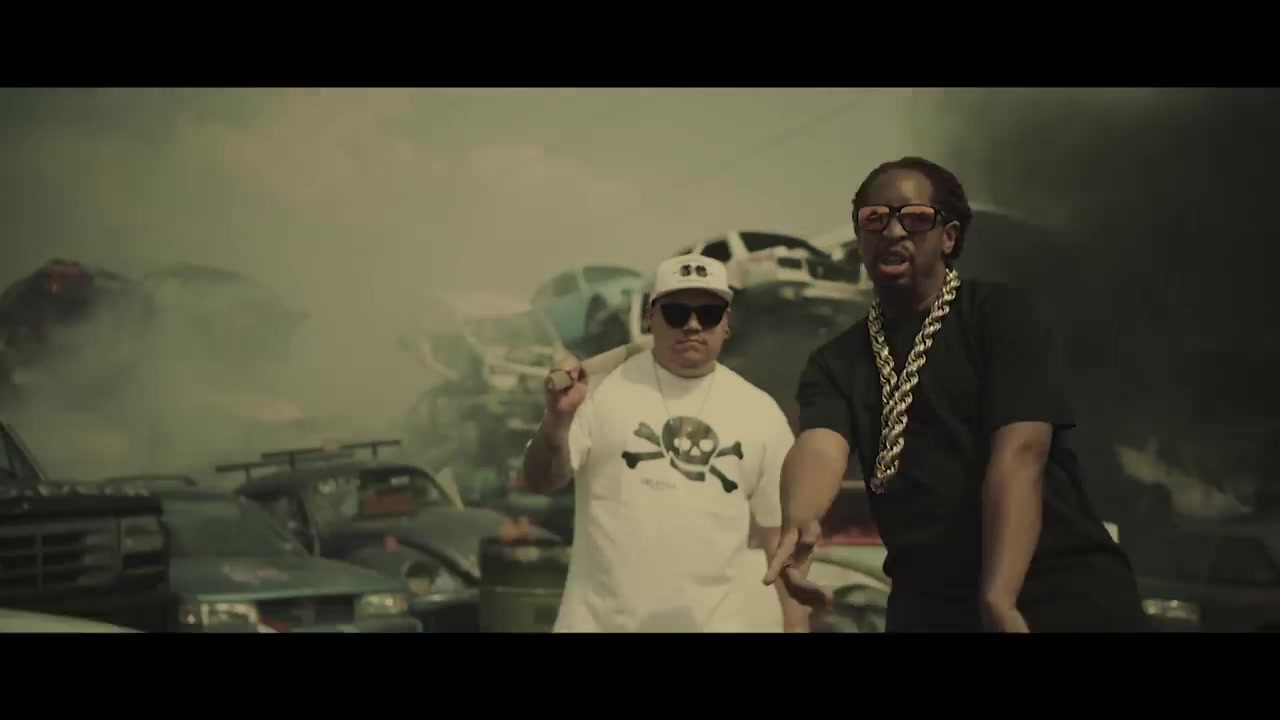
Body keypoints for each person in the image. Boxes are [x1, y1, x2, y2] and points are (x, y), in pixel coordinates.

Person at [764, 156, 1148, 632]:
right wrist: (800, 517)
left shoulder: (1002, 316)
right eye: (874, 218)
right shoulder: (835, 362)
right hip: (928, 602)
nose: (893, 231)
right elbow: (820, 447)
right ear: (861, 237)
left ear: (948, 237)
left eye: (915, 218)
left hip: (1056, 588)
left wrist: (999, 596)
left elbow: (1022, 452)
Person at [521, 254, 809, 632]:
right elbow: (540, 480)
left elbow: (781, 537)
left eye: (708, 313)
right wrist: (557, 421)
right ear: (650, 317)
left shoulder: (760, 413)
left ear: (726, 323)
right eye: (676, 312)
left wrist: (797, 627)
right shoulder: (600, 391)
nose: (692, 325)